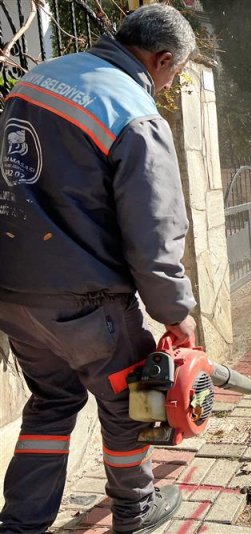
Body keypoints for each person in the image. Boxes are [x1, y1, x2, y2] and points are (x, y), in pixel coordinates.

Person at [0, 5, 197, 533]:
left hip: (14, 296)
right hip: (88, 304)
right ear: (161, 59)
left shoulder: (33, 81)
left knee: (52, 402)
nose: (167, 83)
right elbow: (154, 232)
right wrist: (177, 314)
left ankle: (19, 524)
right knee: (139, 398)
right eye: (173, 73)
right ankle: (136, 507)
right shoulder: (132, 110)